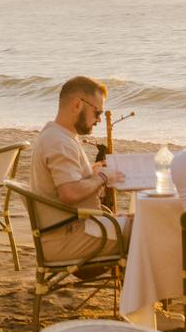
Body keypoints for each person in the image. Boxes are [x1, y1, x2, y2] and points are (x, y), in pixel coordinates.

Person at [24, 76, 130, 259]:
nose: (99, 119)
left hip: (68, 230)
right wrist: (102, 178)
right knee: (148, 230)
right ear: (77, 104)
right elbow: (69, 193)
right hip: (69, 238)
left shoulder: (57, 134)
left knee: (140, 224)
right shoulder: (59, 142)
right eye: (97, 112)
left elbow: (67, 182)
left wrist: (91, 173)